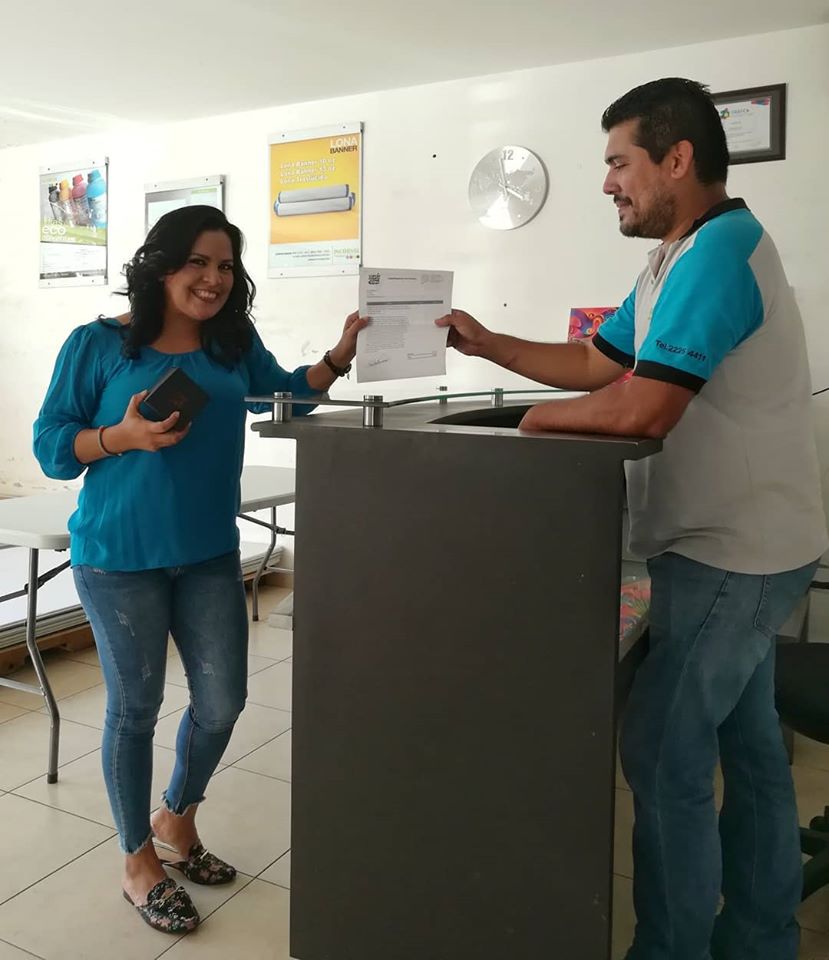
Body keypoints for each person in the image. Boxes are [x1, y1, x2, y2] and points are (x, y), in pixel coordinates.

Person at [437, 78, 828, 960]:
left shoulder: (718, 253)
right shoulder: (675, 257)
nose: (608, 183)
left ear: (676, 159)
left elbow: (642, 406)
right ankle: (759, 938)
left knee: (661, 751)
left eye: (619, 163)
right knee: (750, 753)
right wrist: (489, 345)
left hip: (732, 554)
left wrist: (527, 427)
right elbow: (596, 361)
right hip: (745, 547)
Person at [33, 206, 365, 934]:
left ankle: (176, 820)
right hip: (119, 560)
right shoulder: (98, 344)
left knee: (222, 702)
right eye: (198, 263)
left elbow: (288, 395)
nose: (214, 279)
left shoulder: (230, 344)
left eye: (225, 267)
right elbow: (52, 447)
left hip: (209, 554)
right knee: (135, 710)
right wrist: (119, 436)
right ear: (160, 266)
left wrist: (338, 356)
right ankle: (137, 860)